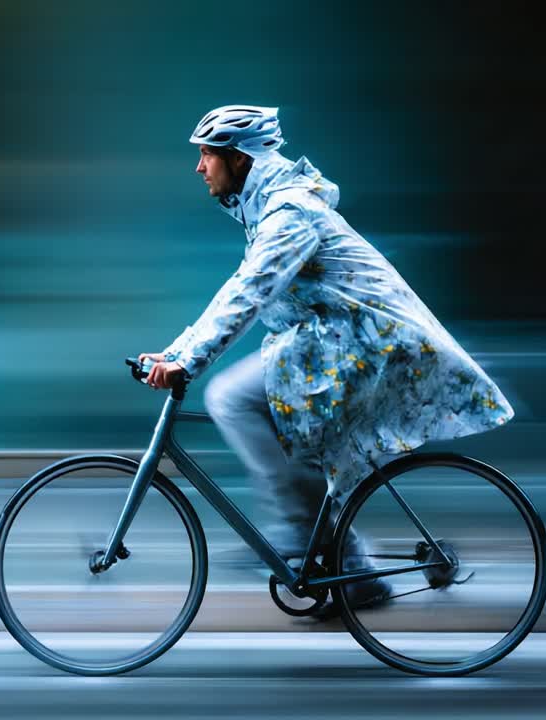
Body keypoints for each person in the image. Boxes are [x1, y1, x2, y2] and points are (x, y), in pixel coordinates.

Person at [139, 105, 514, 615]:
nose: (199, 167)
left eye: (207, 154)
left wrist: (189, 361)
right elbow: (240, 289)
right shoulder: (270, 208)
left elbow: (249, 292)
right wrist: (178, 351)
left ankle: (303, 534)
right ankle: (352, 571)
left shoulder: (289, 212)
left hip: (364, 345)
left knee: (229, 397)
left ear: (239, 158)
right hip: (340, 344)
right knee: (280, 423)